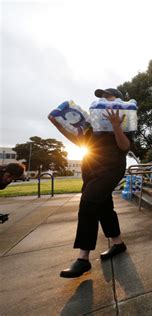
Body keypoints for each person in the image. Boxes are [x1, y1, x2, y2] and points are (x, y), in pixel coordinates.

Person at [49, 88, 133, 278]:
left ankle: (83, 259)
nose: (104, 100)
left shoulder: (125, 121)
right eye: (102, 98)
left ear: (118, 101)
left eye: (108, 97)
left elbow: (125, 146)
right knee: (103, 205)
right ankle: (118, 244)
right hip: (91, 168)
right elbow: (79, 141)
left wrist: (116, 126)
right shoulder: (93, 126)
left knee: (88, 203)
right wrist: (57, 125)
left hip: (111, 168)